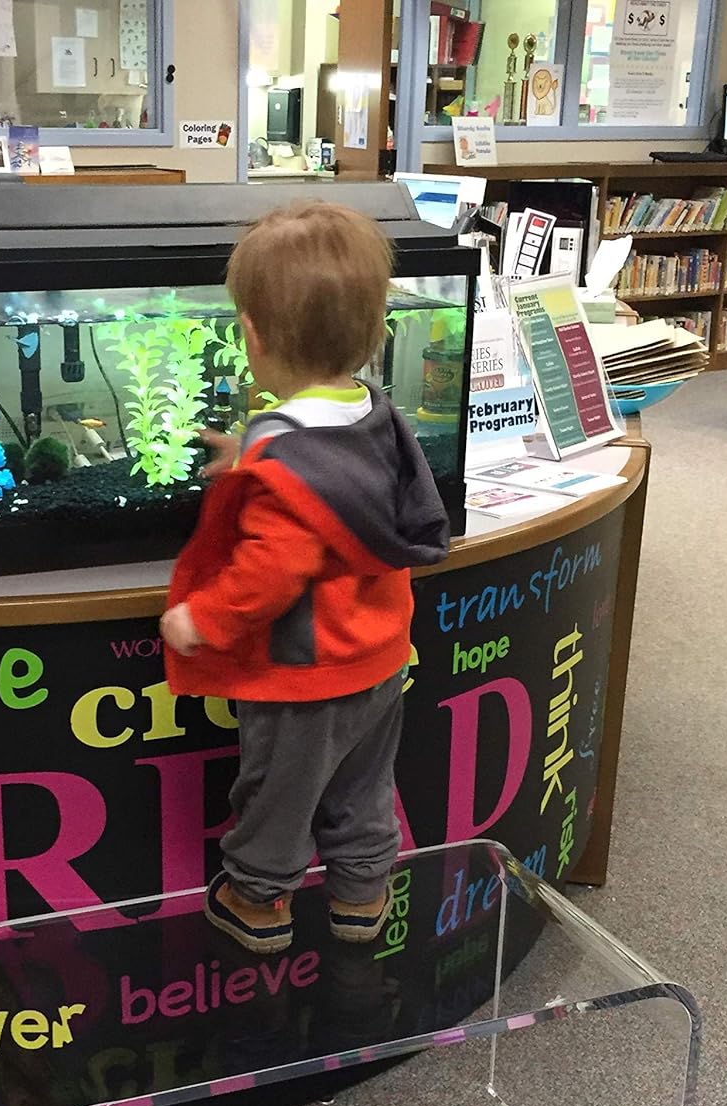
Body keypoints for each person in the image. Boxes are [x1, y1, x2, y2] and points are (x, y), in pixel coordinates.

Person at [159, 199, 450, 955]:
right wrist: (251, 454)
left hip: (305, 672)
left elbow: (272, 568)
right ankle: (361, 894)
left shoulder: (287, 462)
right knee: (363, 786)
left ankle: (256, 900)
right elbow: (329, 484)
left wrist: (202, 621)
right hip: (380, 656)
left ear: (250, 336)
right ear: (375, 329)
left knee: (278, 795)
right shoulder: (372, 415)